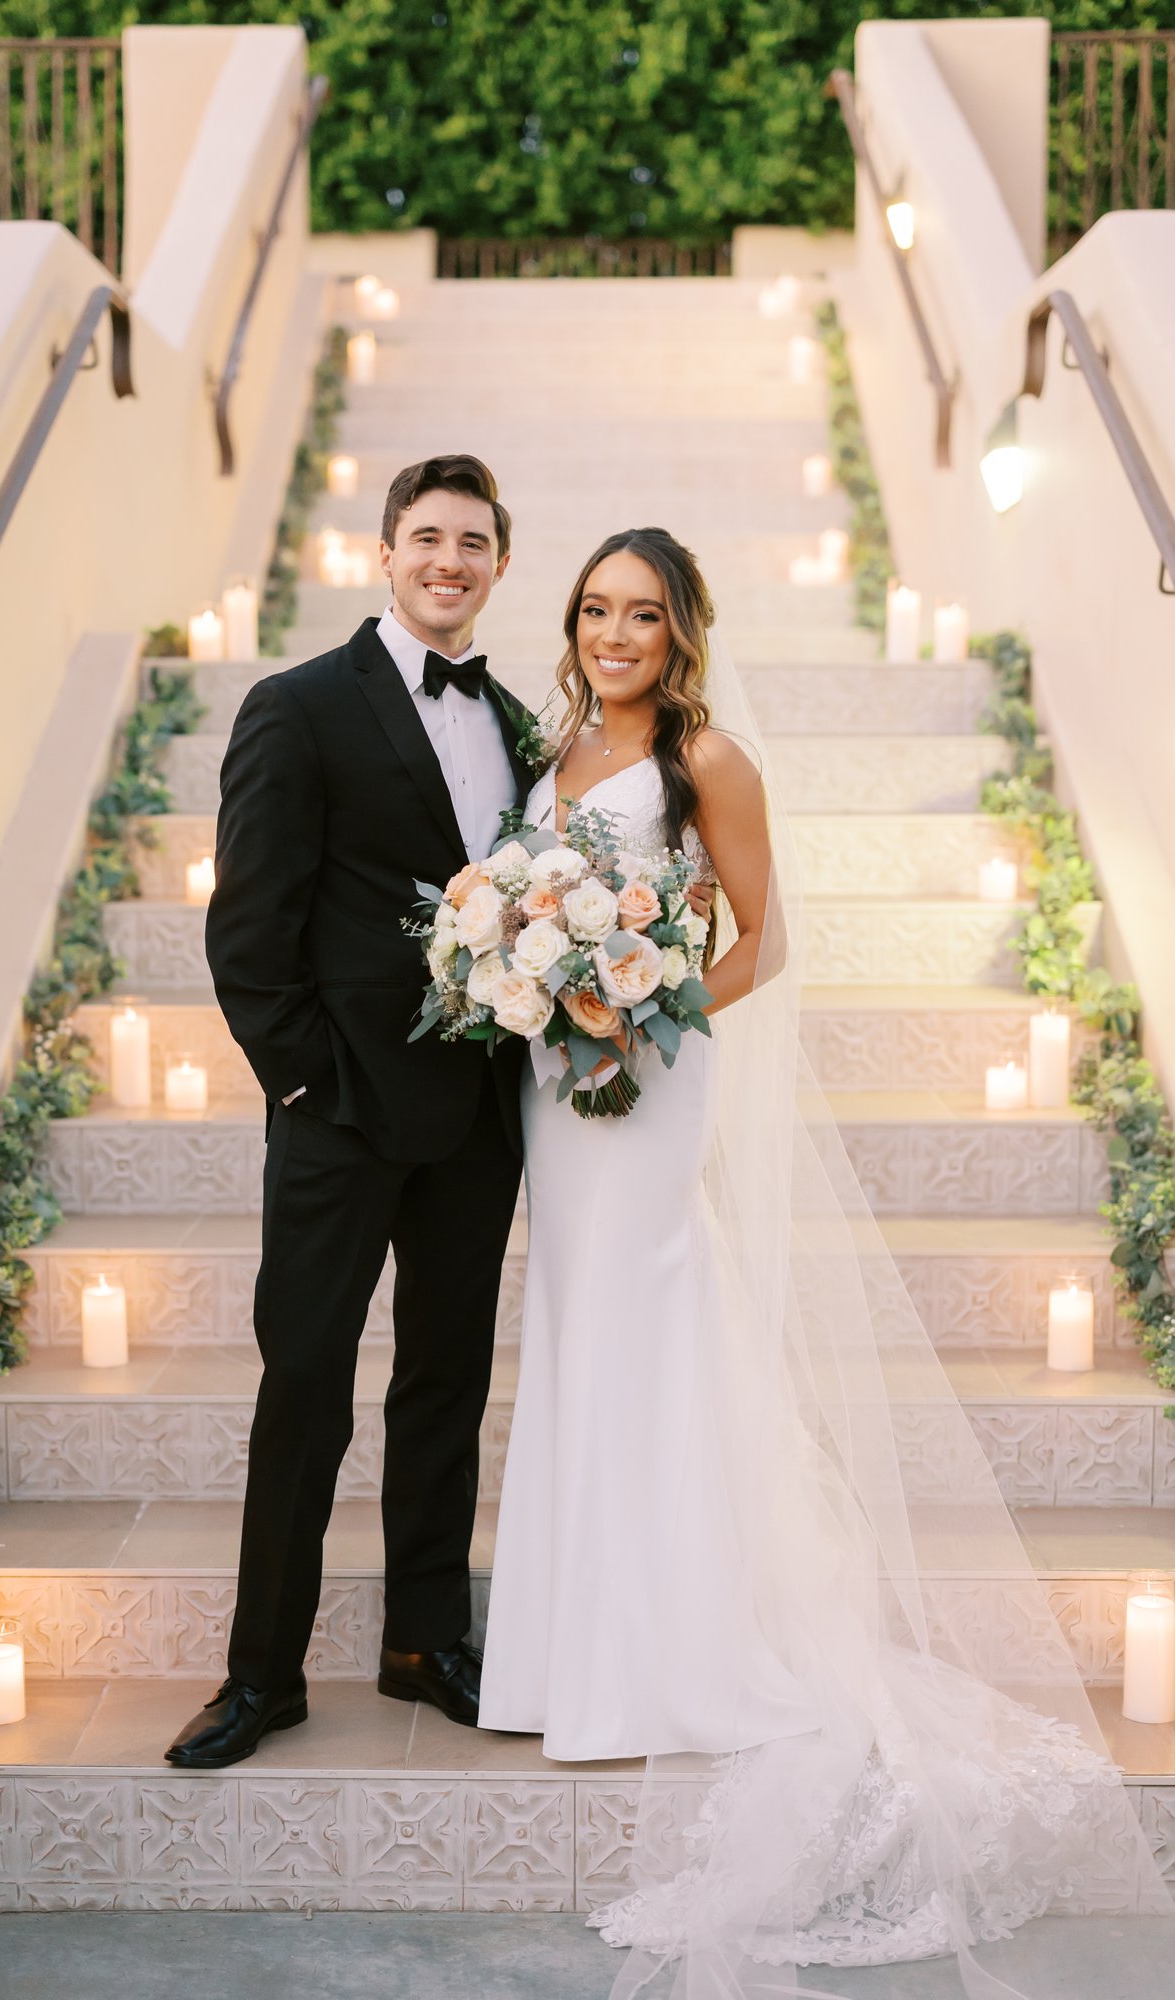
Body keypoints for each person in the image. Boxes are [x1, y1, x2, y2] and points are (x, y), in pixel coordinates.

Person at [477, 527, 1169, 1997]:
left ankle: (673, 1649)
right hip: (557, 1090)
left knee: (653, 1323)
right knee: (575, 1330)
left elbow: (762, 942)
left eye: (641, 615)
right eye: (595, 611)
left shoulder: (707, 761)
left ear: (680, 631)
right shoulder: (548, 752)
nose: (614, 635)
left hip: (651, 1086)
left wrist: (639, 1001)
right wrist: (534, 977)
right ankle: (560, 1658)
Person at [166, 454, 535, 1768]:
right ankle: (262, 1673)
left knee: (443, 1384)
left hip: (480, 1117)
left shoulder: (519, 721)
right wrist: (308, 1083)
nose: (449, 560)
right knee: (306, 1386)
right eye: (426, 537)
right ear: (382, 553)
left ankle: (421, 1640)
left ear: (499, 564)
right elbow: (249, 931)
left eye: (473, 542)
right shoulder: (297, 705)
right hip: (337, 1114)